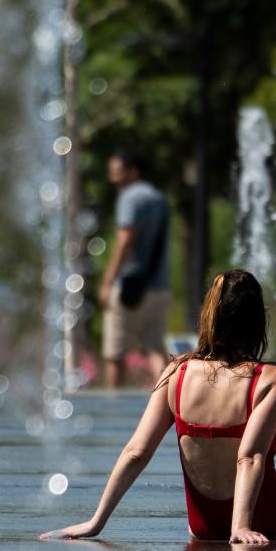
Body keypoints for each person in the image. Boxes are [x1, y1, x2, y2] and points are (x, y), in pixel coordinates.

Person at [40, 270, 276, 544]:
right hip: (264, 516)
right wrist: (241, 528)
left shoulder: (176, 371)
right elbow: (249, 457)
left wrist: (95, 522)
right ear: (256, 322)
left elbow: (135, 452)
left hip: (202, 523)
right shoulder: (270, 377)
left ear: (210, 317)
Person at [99, 151, 171, 388]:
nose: (113, 179)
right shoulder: (159, 199)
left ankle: (113, 409)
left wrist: (108, 281)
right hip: (159, 286)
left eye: (118, 173)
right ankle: (166, 405)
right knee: (155, 349)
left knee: (114, 355)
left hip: (128, 286)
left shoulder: (129, 198)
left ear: (133, 172)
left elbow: (126, 239)